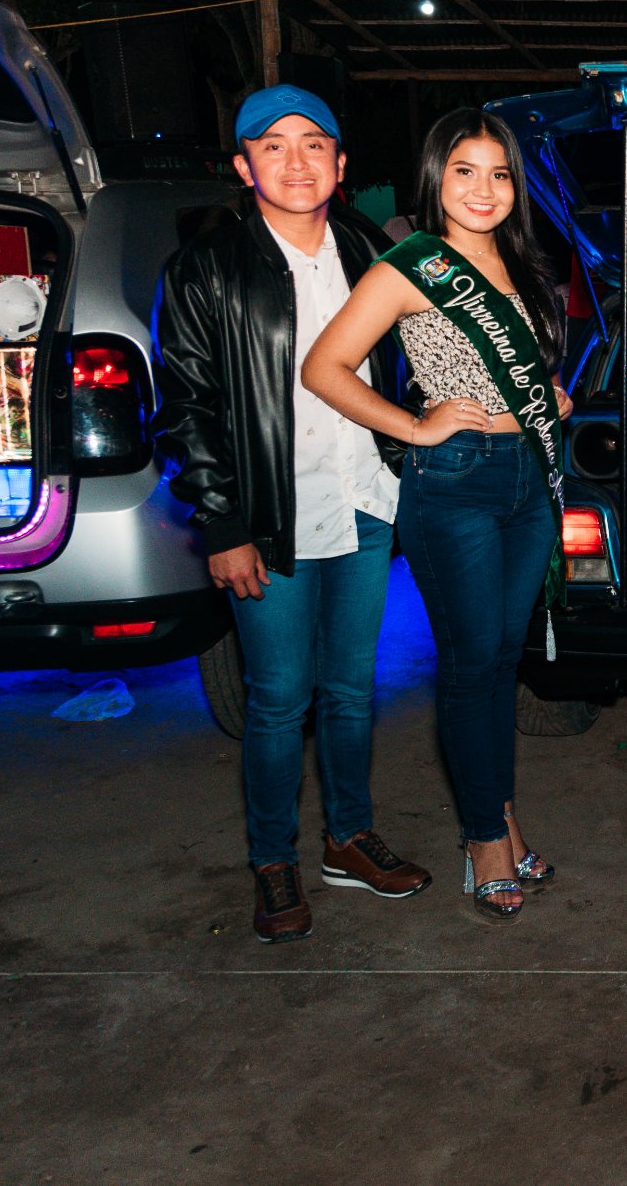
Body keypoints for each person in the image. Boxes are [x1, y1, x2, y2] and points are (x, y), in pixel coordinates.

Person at [154, 84, 431, 944]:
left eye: (314, 143)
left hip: (365, 500)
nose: (296, 160)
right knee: (278, 698)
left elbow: (419, 362)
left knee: (351, 688)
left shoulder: (376, 254)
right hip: (269, 515)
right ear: (244, 167)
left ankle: (348, 837)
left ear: (341, 164)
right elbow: (185, 406)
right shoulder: (205, 267)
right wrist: (222, 522)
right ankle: (273, 859)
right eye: (272, 145)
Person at [303, 108, 571, 924]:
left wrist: (549, 399)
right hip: (454, 484)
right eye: (465, 171)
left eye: (499, 173)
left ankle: (501, 816)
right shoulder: (411, 266)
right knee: (469, 663)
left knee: (500, 662)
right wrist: (415, 425)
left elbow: (520, 374)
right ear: (436, 177)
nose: (484, 189)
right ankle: (484, 840)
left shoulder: (522, 262)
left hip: (527, 479)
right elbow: (325, 366)